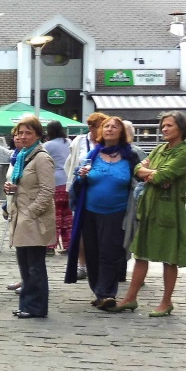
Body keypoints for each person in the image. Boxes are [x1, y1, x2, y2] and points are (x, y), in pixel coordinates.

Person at [111, 111, 186, 316]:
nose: (164, 129)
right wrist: (151, 174)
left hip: (169, 212)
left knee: (170, 257)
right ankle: (130, 298)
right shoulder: (159, 148)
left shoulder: (184, 153)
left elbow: (163, 175)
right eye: (163, 126)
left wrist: (152, 174)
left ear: (181, 129)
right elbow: (137, 169)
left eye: (169, 126)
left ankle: (166, 302)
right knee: (141, 255)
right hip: (148, 209)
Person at [67, 116, 139, 309]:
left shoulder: (130, 156)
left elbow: (139, 180)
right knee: (92, 252)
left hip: (116, 212)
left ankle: (107, 293)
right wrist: (81, 178)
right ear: (101, 132)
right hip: (90, 212)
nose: (110, 129)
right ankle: (98, 290)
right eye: (106, 126)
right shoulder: (92, 155)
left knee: (110, 252)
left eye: (115, 127)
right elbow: (78, 182)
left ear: (121, 132)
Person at [5, 115, 56, 319]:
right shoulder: (23, 156)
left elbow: (47, 190)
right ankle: (27, 304)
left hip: (34, 220)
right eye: (20, 133)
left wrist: (31, 212)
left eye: (28, 133)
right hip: (22, 217)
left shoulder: (41, 157)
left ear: (37, 135)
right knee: (25, 265)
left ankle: (36, 307)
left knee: (35, 266)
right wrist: (13, 188)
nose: (23, 136)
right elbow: (29, 186)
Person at [65, 112, 107, 279]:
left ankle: (100, 265)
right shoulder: (79, 141)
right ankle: (82, 265)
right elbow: (71, 162)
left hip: (102, 190)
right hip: (82, 189)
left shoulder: (108, 142)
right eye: (99, 127)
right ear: (91, 127)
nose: (103, 130)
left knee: (101, 230)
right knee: (81, 228)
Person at [44, 120, 72, 253]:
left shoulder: (47, 145)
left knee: (54, 216)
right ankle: (69, 245)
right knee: (67, 216)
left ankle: (50, 246)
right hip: (68, 182)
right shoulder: (69, 143)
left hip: (54, 181)